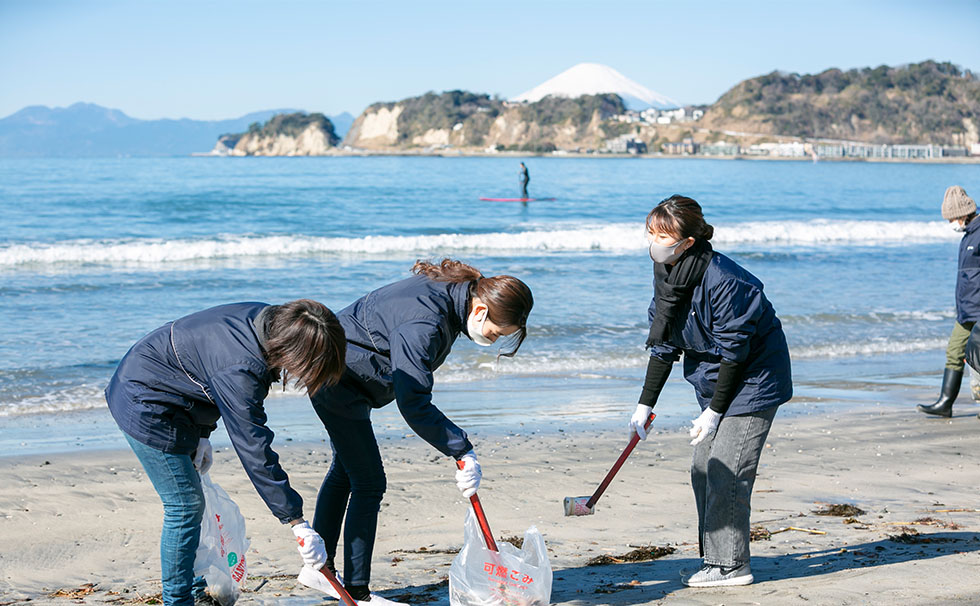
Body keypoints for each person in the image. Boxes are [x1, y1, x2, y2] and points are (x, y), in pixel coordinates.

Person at [298, 259, 533, 604]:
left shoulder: (455, 296)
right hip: (337, 376)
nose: (492, 338)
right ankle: (357, 592)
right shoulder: (428, 321)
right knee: (368, 481)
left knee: (347, 471)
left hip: (342, 369)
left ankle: (320, 572)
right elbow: (414, 402)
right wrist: (461, 449)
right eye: (496, 332)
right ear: (480, 309)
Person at [106, 300, 347, 606]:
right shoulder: (242, 366)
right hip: (144, 401)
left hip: (176, 396)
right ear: (293, 350)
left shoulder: (271, 323)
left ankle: (195, 590)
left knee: (193, 502)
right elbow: (253, 446)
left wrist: (203, 432)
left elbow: (203, 369)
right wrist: (296, 521)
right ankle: (177, 601)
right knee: (185, 505)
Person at [628, 195, 792, 587]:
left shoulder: (726, 280)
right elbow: (665, 344)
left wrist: (714, 412)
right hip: (715, 382)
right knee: (702, 468)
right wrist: (643, 405)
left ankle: (732, 565)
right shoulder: (667, 275)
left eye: (663, 235)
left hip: (753, 378)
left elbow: (736, 352)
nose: (654, 242)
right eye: (651, 233)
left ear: (688, 241)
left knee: (727, 469)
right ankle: (715, 558)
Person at [918, 185, 979, 418]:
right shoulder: (968, 236)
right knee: (954, 351)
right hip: (966, 311)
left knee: (978, 360)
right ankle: (945, 403)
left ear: (963, 213)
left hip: (979, 310)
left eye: (951, 218)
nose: (950, 223)